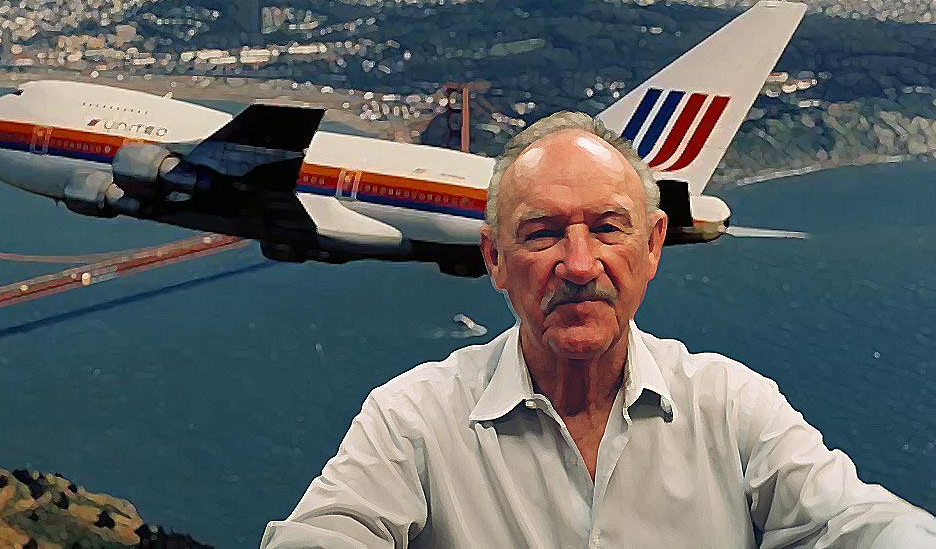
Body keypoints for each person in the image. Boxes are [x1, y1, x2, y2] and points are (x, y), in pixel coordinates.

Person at [262, 111, 936, 548]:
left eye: (609, 228)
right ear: (493, 258)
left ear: (653, 247)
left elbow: (856, 524)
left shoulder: (730, 406)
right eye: (543, 232)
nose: (579, 265)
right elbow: (327, 535)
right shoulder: (414, 419)